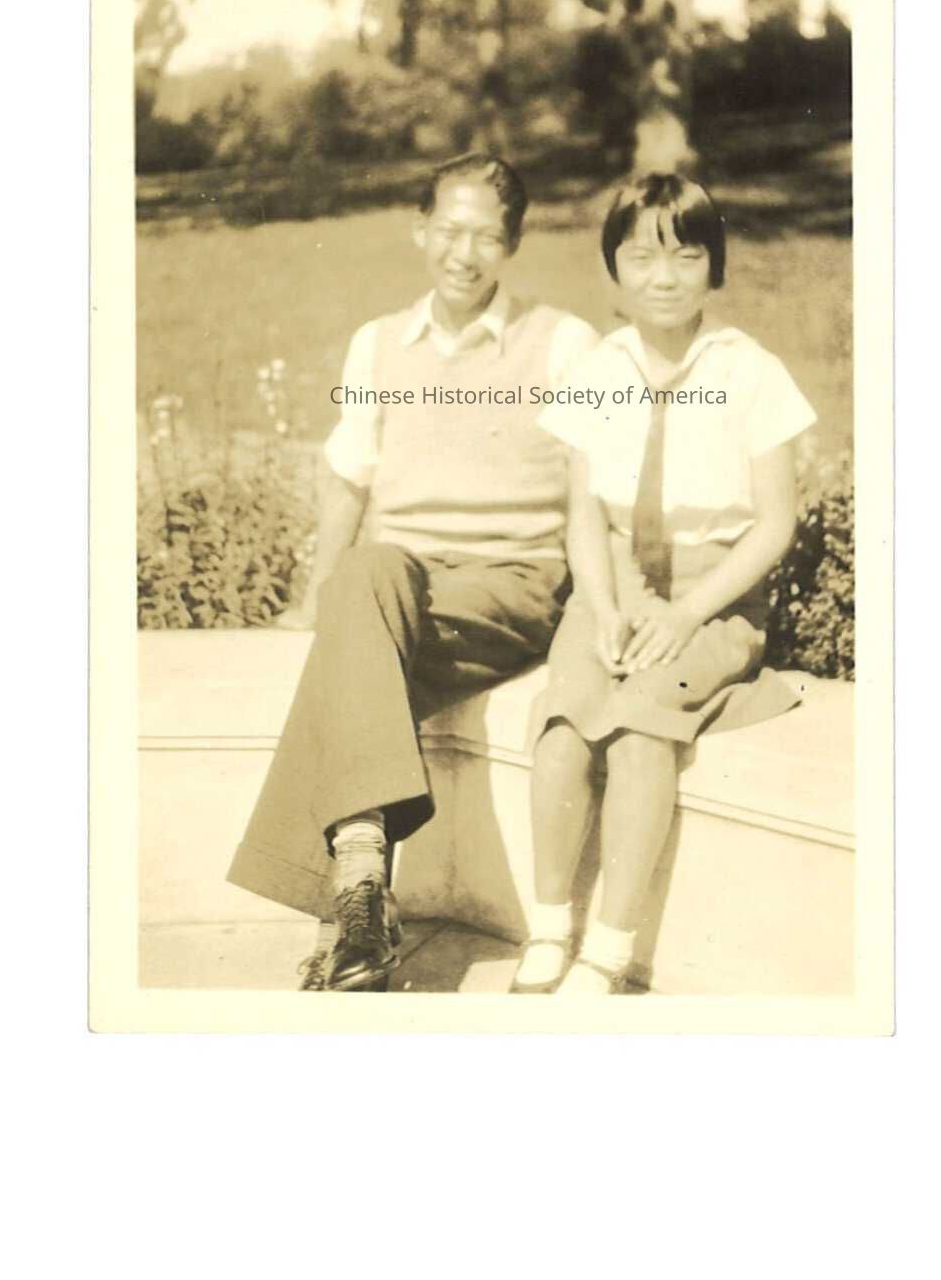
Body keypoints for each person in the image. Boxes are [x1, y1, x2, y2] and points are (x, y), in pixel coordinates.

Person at [227, 154, 597, 991]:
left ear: (512, 244)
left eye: (487, 237)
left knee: (352, 630)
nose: (464, 253)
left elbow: (593, 487)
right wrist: (312, 596)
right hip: (403, 585)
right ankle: (360, 896)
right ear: (419, 228)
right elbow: (350, 480)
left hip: (512, 581)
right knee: (360, 580)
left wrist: (598, 610)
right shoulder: (376, 343)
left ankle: (351, 906)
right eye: (450, 230)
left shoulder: (563, 342)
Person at [511, 174, 816, 994]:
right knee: (565, 724)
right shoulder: (598, 368)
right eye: (642, 256)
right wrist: (604, 606)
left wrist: (685, 614)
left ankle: (610, 948)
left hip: (711, 596)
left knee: (641, 726)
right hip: (611, 588)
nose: (665, 276)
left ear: (715, 266)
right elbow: (583, 514)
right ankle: (549, 928)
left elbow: (774, 524)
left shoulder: (750, 370)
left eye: (687, 255)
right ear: (614, 267)